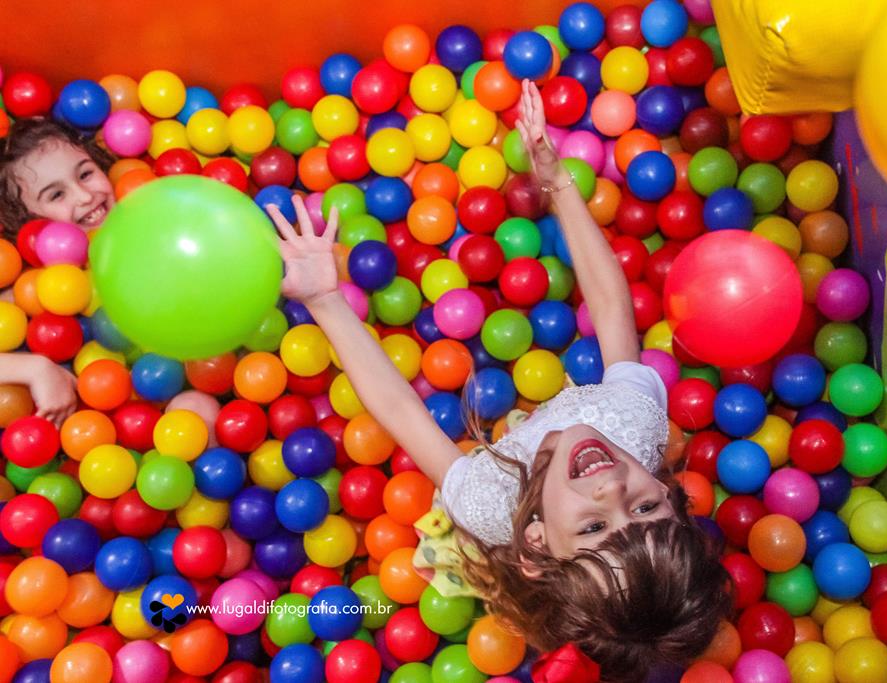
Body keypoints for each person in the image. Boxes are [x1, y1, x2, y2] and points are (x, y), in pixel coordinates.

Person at [269, 80, 729, 682]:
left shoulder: (488, 500)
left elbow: (404, 414)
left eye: (593, 528)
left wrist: (326, 300)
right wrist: (555, 177)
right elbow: (615, 313)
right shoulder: (633, 427)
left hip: (507, 497)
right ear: (668, 495)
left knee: (490, 574)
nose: (609, 486)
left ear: (538, 542)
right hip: (548, 455)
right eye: (644, 506)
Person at [0, 117, 116, 425]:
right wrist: (34, 369)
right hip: (85, 428)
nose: (85, 196)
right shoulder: (27, 291)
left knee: (196, 405)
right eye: (56, 195)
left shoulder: (144, 216)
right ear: (28, 225)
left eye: (86, 174)